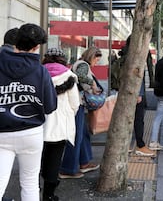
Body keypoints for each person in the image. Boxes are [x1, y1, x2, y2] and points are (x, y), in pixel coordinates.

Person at [0, 23, 57, 201]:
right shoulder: (41, 71)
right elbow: (50, 106)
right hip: (31, 133)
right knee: (30, 183)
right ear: (36, 47)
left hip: (1, 132)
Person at [41, 48, 80, 200]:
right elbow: (75, 103)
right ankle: (49, 195)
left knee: (39, 158)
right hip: (59, 126)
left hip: (39, 124)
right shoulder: (69, 76)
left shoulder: (39, 73)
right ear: (62, 59)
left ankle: (35, 189)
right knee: (55, 159)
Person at [59, 46, 101, 179]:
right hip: (76, 104)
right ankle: (68, 169)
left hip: (77, 103)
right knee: (77, 136)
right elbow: (81, 77)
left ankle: (84, 162)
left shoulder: (79, 63)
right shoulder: (83, 65)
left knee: (82, 134)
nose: (97, 63)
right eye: (96, 60)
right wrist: (93, 84)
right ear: (92, 56)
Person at [111, 37, 154, 157]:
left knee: (126, 119)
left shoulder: (126, 53)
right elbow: (136, 75)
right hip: (134, 93)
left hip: (124, 92)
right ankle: (140, 145)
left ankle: (126, 146)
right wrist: (139, 94)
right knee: (138, 120)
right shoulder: (136, 55)